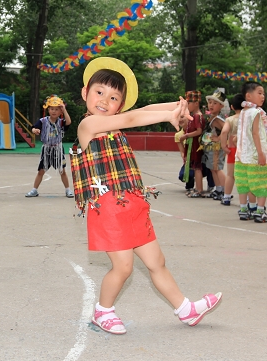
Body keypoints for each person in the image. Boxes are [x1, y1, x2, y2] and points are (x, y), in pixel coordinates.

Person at [73, 57, 222, 335]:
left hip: (132, 204)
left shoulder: (113, 124)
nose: (105, 100)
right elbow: (133, 117)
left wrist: (176, 107)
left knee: (157, 262)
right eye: (99, 92)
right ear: (85, 93)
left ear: (120, 103)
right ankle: (103, 311)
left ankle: (185, 309)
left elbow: (143, 110)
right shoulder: (88, 126)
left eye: (114, 96)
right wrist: (168, 117)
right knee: (123, 267)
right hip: (107, 207)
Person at [25, 95, 74, 198]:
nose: (54, 111)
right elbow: (34, 127)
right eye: (51, 109)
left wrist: (64, 110)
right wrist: (35, 130)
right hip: (46, 149)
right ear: (48, 110)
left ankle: (68, 190)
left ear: (60, 111)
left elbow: (69, 122)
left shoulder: (61, 122)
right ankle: (34, 190)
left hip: (58, 149)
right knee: (41, 171)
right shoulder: (43, 121)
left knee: (62, 171)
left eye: (57, 109)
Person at [234, 81, 266, 222]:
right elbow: (255, 134)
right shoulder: (257, 112)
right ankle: (260, 211)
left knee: (243, 183)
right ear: (248, 96)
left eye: (263, 93)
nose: (263, 96)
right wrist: (261, 153)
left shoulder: (243, 113)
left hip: (241, 155)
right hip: (254, 155)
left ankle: (244, 209)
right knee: (260, 182)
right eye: (259, 93)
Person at [202, 90, 227, 200]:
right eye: (210, 102)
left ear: (221, 106)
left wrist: (218, 138)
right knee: (213, 169)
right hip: (210, 147)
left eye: (215, 103)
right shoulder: (212, 117)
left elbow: (227, 131)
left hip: (217, 147)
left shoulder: (218, 119)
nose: (211, 105)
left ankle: (226, 190)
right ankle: (218, 189)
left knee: (217, 168)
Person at [220, 94, 244, 206]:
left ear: (232, 107)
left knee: (230, 175)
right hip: (245, 150)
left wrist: (224, 146)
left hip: (232, 149)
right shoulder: (248, 118)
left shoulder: (230, 119)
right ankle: (248, 200)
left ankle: (226, 197)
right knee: (245, 175)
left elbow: (224, 132)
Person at [179, 91, 205, 198]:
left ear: (196, 103)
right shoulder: (192, 116)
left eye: (189, 103)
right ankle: (197, 188)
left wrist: (186, 135)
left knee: (197, 168)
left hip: (196, 146)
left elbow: (199, 131)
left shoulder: (198, 116)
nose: (187, 106)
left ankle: (199, 190)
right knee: (194, 167)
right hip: (192, 145)